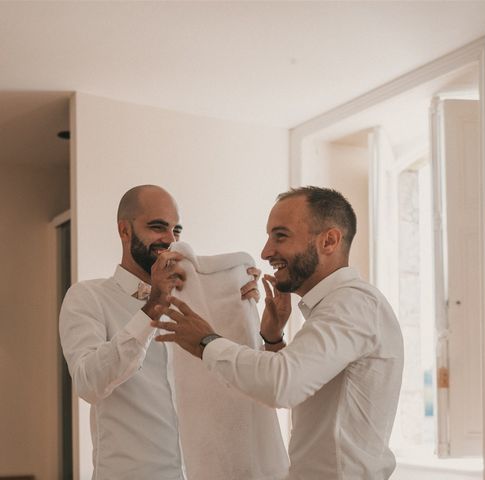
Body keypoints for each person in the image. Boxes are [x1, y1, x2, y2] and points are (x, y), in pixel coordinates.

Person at [153, 186, 405, 480]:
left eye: (280, 236)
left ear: (329, 240)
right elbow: (313, 401)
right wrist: (273, 339)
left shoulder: (353, 304)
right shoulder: (338, 307)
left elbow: (283, 384)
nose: (265, 251)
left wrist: (206, 341)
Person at [59, 184, 260, 480]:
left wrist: (252, 317)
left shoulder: (196, 300)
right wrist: (152, 307)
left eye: (176, 230)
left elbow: (240, 375)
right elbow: (89, 383)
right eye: (157, 227)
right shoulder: (87, 297)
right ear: (124, 231)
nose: (170, 240)